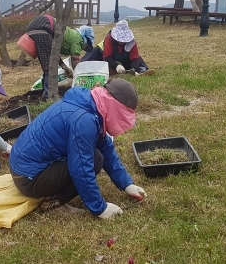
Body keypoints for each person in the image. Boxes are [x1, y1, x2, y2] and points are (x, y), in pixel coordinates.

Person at [9, 78, 147, 218]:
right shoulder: (84, 120)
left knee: (97, 155)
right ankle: (54, 202)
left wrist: (127, 184)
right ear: (115, 107)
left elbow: (106, 148)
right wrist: (100, 208)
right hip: (29, 179)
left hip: (24, 170)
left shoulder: (91, 105)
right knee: (94, 159)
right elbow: (81, 167)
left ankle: (54, 193)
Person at [82, 20, 154, 76]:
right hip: (105, 57)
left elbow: (134, 57)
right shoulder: (109, 38)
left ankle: (142, 70)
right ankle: (80, 66)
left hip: (124, 58)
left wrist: (134, 69)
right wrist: (116, 66)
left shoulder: (132, 41)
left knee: (138, 59)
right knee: (94, 51)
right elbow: (107, 57)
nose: (122, 42)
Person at [26, 14, 74, 97]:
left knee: (46, 63)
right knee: (49, 66)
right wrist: (63, 65)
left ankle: (45, 91)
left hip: (32, 30)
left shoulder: (55, 23)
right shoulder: (58, 28)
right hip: (41, 30)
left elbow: (53, 54)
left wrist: (63, 65)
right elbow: (54, 53)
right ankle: (48, 94)